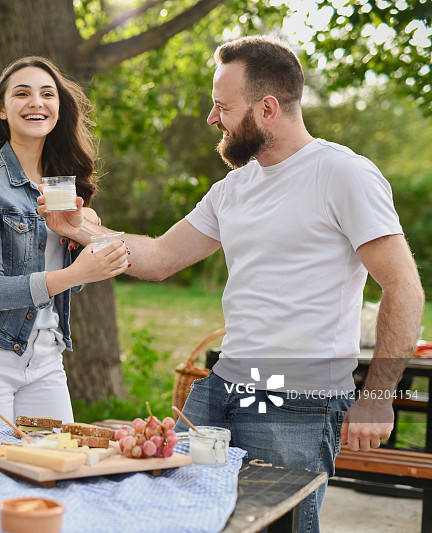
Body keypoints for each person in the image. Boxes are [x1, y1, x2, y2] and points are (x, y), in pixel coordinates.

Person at [38, 36, 424, 533]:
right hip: (222, 386)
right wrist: (83, 229)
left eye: (222, 106)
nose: (211, 118)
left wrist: (376, 396)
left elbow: (404, 285)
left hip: (296, 395)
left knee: (276, 526)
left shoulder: (342, 173)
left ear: (267, 108)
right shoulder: (233, 188)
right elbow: (159, 258)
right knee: (179, 512)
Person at [0, 56, 129, 425]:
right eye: (22, 94)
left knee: (55, 465)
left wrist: (85, 234)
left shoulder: (65, 184)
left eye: (47, 94)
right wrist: (75, 274)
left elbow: (73, 273)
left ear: (58, 109)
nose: (36, 102)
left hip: (45, 353)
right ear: (2, 110)